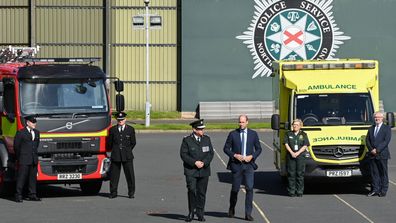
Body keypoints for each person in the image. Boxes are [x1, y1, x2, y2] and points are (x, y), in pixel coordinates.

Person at [223, 115, 262, 221]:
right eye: (239, 122)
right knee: (235, 189)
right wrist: (235, 155)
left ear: (247, 122)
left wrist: (252, 156)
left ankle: (248, 213)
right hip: (237, 165)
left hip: (249, 165)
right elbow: (226, 148)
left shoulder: (253, 134)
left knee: (249, 188)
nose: (241, 124)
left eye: (243, 122)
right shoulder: (233, 134)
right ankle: (232, 207)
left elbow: (259, 149)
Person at [180, 119, 214, 222]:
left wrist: (204, 163)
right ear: (194, 129)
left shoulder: (207, 139)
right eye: (199, 129)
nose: (202, 131)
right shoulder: (187, 140)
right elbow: (183, 154)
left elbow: (210, 153)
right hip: (191, 171)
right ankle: (191, 212)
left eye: (203, 129)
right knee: (192, 190)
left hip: (204, 170)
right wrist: (195, 162)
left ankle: (200, 213)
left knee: (202, 193)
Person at [107, 112, 137, 199]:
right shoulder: (112, 130)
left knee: (130, 175)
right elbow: (109, 143)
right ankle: (113, 192)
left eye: (122, 119)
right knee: (114, 176)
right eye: (119, 120)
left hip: (127, 155)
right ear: (117, 120)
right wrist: (115, 150)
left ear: (125, 119)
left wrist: (127, 150)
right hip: (116, 155)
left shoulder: (130, 129)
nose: (120, 121)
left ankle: (131, 193)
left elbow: (133, 143)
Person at [14, 115, 41, 202]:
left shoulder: (37, 132)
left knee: (32, 178)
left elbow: (36, 145)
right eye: (33, 122)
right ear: (27, 123)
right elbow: (16, 147)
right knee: (21, 178)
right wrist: (20, 157)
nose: (34, 124)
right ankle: (18, 195)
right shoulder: (21, 133)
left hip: (33, 159)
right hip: (24, 159)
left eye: (35, 122)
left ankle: (32, 194)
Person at [366, 111, 392, 197]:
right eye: (375, 117)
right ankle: (375, 189)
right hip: (372, 155)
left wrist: (377, 150)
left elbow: (386, 141)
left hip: (382, 154)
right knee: (374, 173)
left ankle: (383, 190)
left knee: (383, 173)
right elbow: (367, 140)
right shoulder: (371, 128)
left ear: (382, 118)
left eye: (379, 117)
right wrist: (371, 150)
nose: (377, 119)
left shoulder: (386, 128)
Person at [284, 119, 310, 197]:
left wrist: (298, 153)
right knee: (291, 174)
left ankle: (299, 191)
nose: (294, 126)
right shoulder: (288, 134)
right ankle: (291, 191)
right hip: (291, 156)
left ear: (300, 126)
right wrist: (292, 153)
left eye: (296, 125)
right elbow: (286, 144)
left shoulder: (304, 134)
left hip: (300, 156)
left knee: (300, 174)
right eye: (293, 124)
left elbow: (305, 145)